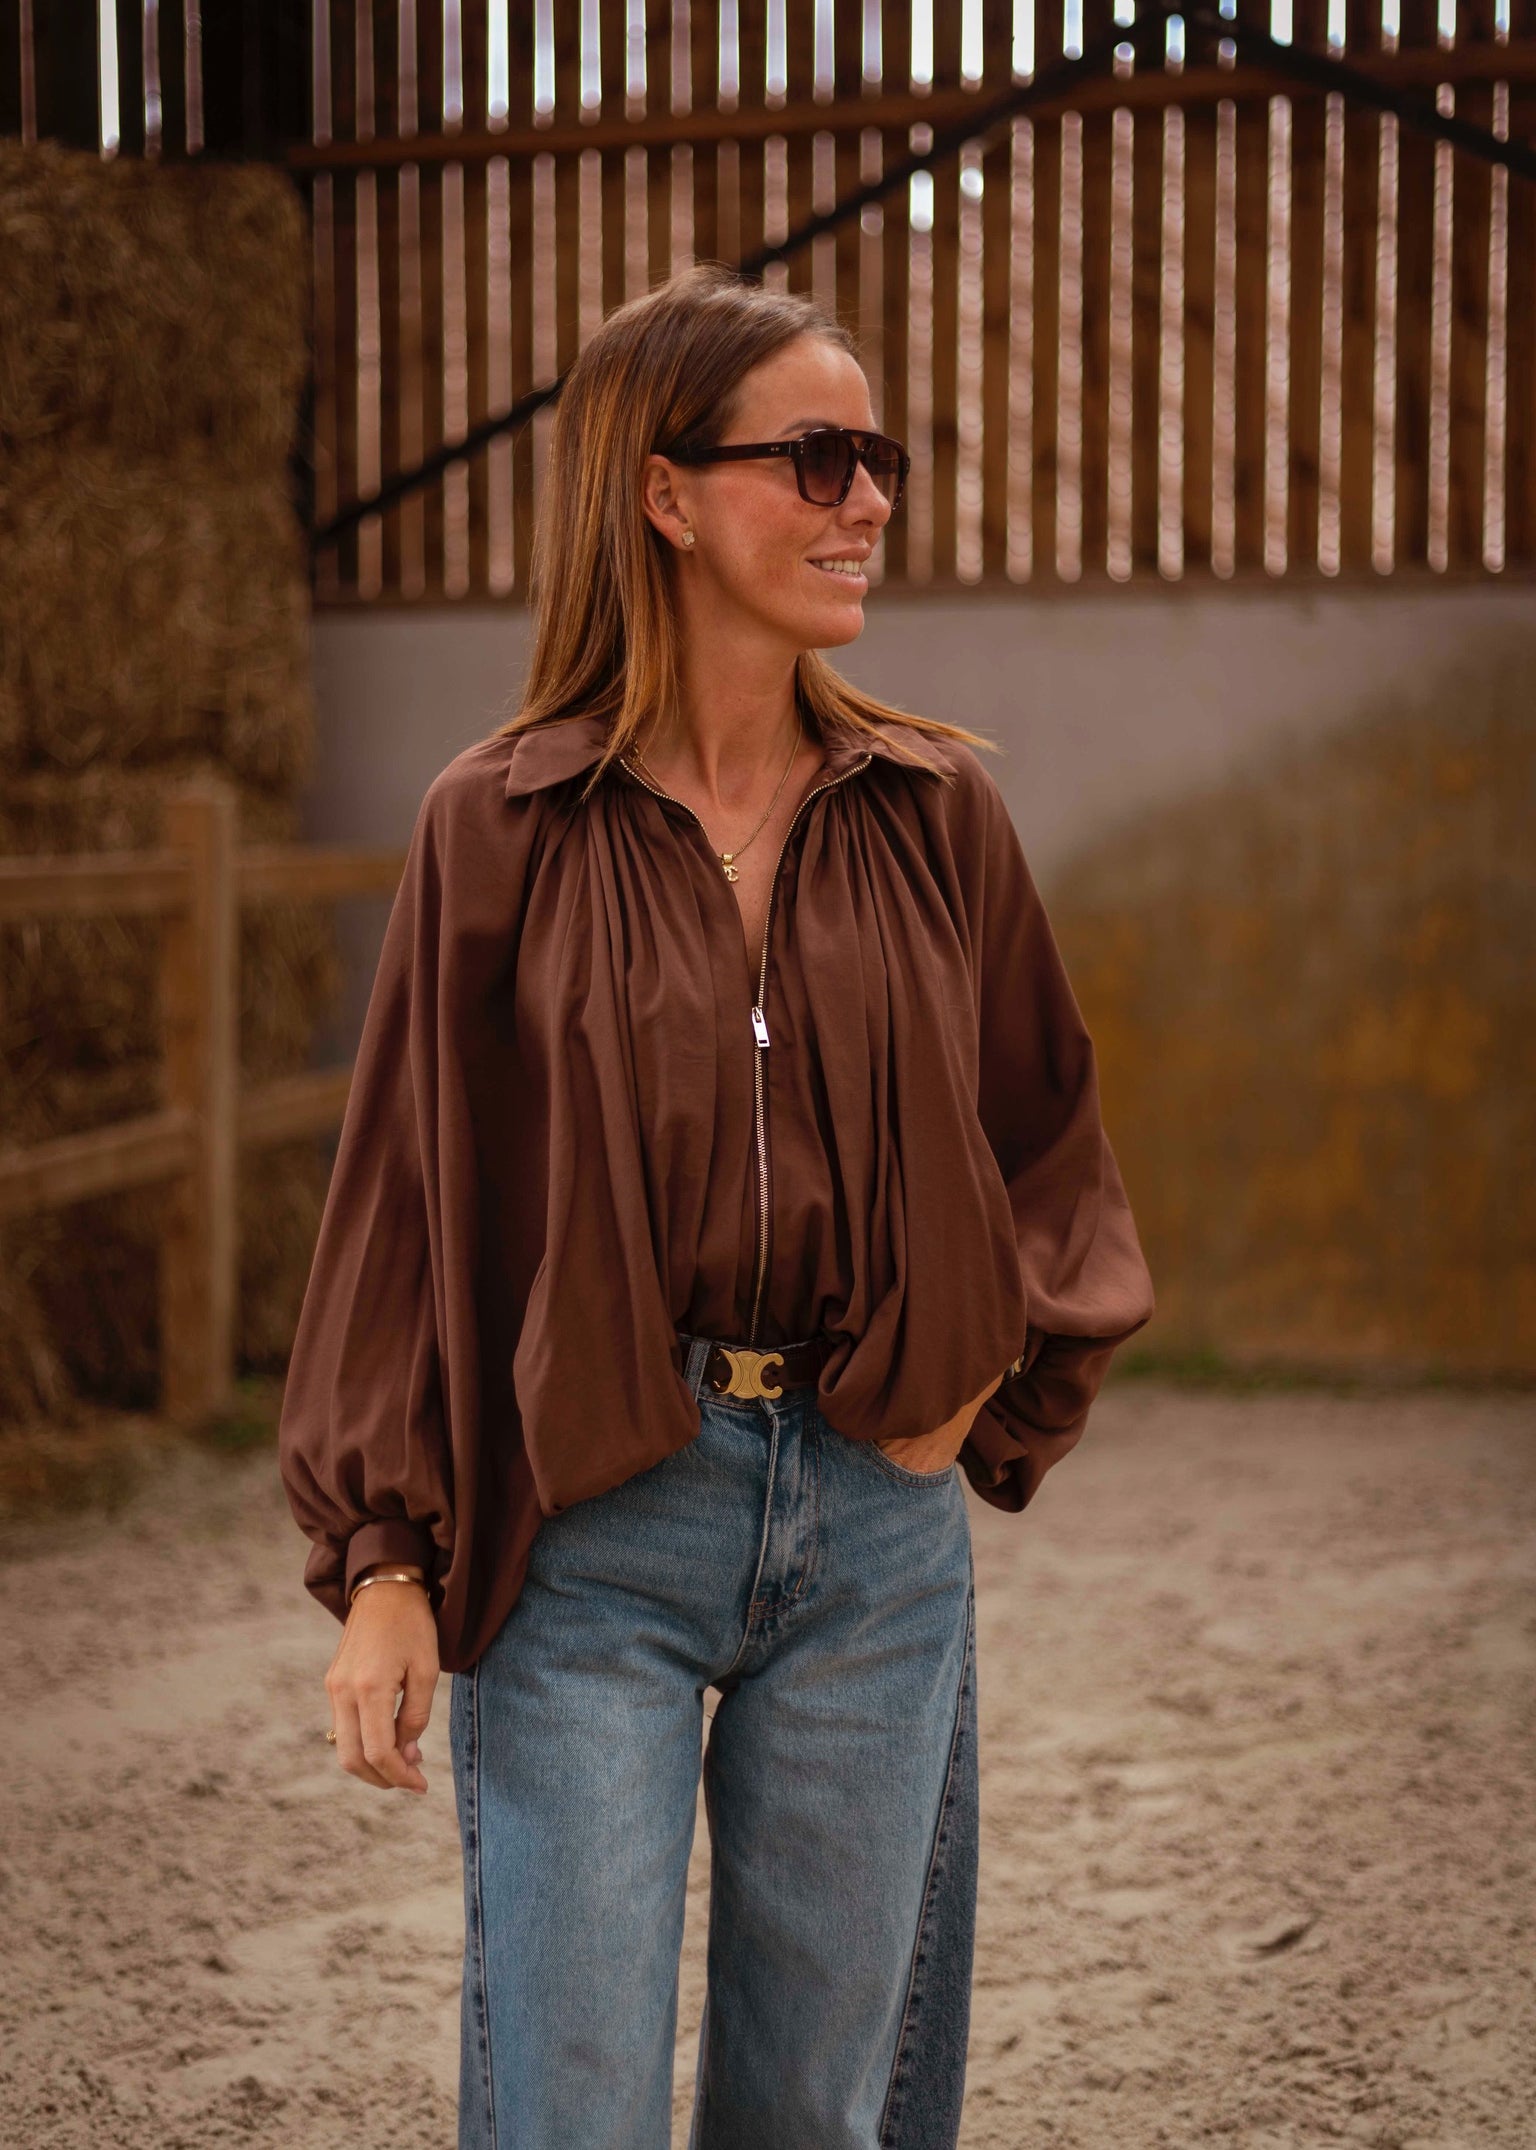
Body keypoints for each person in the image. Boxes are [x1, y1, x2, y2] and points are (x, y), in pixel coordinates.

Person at [278, 261, 1154, 2150]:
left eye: (881, 458)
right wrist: (385, 1557)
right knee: (570, 2105)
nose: (867, 500)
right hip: (592, 1517)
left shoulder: (935, 812)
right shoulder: (498, 824)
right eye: (817, 457)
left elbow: (1050, 1141)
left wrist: (988, 1378)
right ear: (664, 492)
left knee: (812, 2115)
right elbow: (407, 1208)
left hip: (875, 1527)